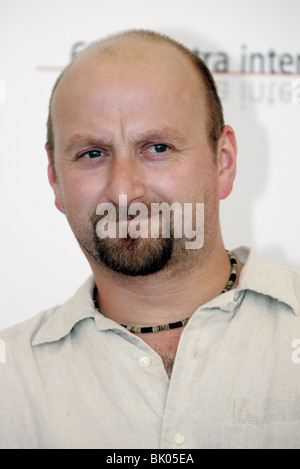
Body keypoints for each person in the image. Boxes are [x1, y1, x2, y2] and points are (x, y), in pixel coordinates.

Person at [1, 29, 300, 450]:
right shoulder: (9, 378)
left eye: (157, 147)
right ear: (55, 180)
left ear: (224, 162)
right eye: (92, 153)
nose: (124, 192)